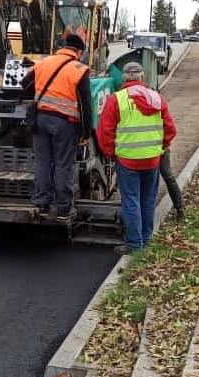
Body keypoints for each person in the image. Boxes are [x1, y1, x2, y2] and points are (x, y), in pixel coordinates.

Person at [97, 62, 177, 255]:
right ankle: (146, 240)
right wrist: (161, 147)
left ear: (124, 79)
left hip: (127, 160)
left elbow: (105, 132)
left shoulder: (116, 99)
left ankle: (134, 245)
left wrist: (111, 154)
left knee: (131, 200)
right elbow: (170, 129)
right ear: (142, 78)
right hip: (152, 159)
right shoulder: (157, 98)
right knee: (148, 200)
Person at [21, 34, 92, 223]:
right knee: (63, 164)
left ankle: (42, 203)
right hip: (64, 124)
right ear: (79, 52)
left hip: (41, 120)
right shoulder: (79, 69)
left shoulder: (44, 63)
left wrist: (38, 95)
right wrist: (86, 133)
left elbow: (24, 85)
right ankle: (63, 208)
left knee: (43, 162)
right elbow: (86, 105)